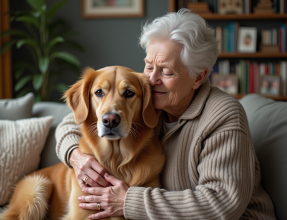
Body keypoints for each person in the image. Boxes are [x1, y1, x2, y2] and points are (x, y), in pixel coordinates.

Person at [55, 9, 276, 219]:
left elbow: (221, 205)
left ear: (198, 77)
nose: (151, 80)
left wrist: (129, 202)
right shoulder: (148, 99)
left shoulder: (223, 115)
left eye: (166, 71)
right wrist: (75, 155)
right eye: (149, 66)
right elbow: (74, 121)